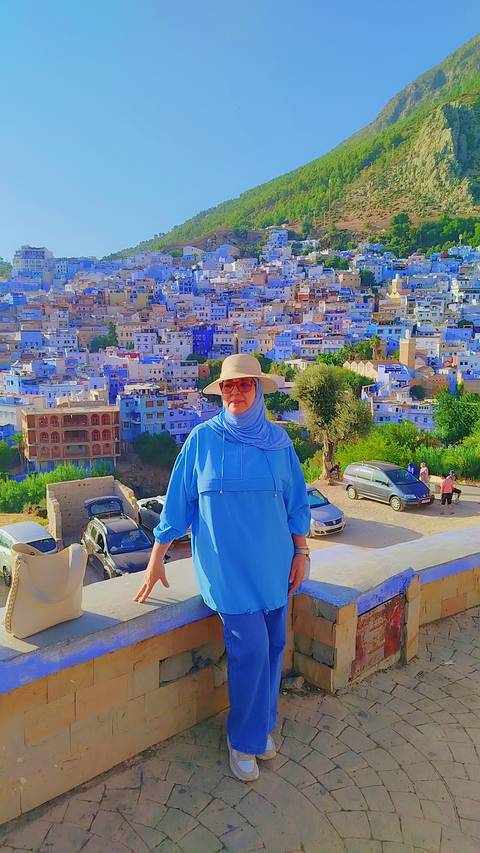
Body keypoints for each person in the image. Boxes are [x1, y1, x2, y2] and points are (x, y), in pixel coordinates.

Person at [134, 354, 310, 783]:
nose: (235, 392)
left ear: (258, 391)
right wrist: (156, 557)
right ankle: (243, 740)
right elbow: (178, 502)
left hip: (275, 566)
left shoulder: (279, 443)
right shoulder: (202, 440)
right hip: (227, 570)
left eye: (244, 385)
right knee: (250, 651)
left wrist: (302, 552)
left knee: (273, 646)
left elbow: (297, 503)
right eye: (228, 386)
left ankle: (262, 726)